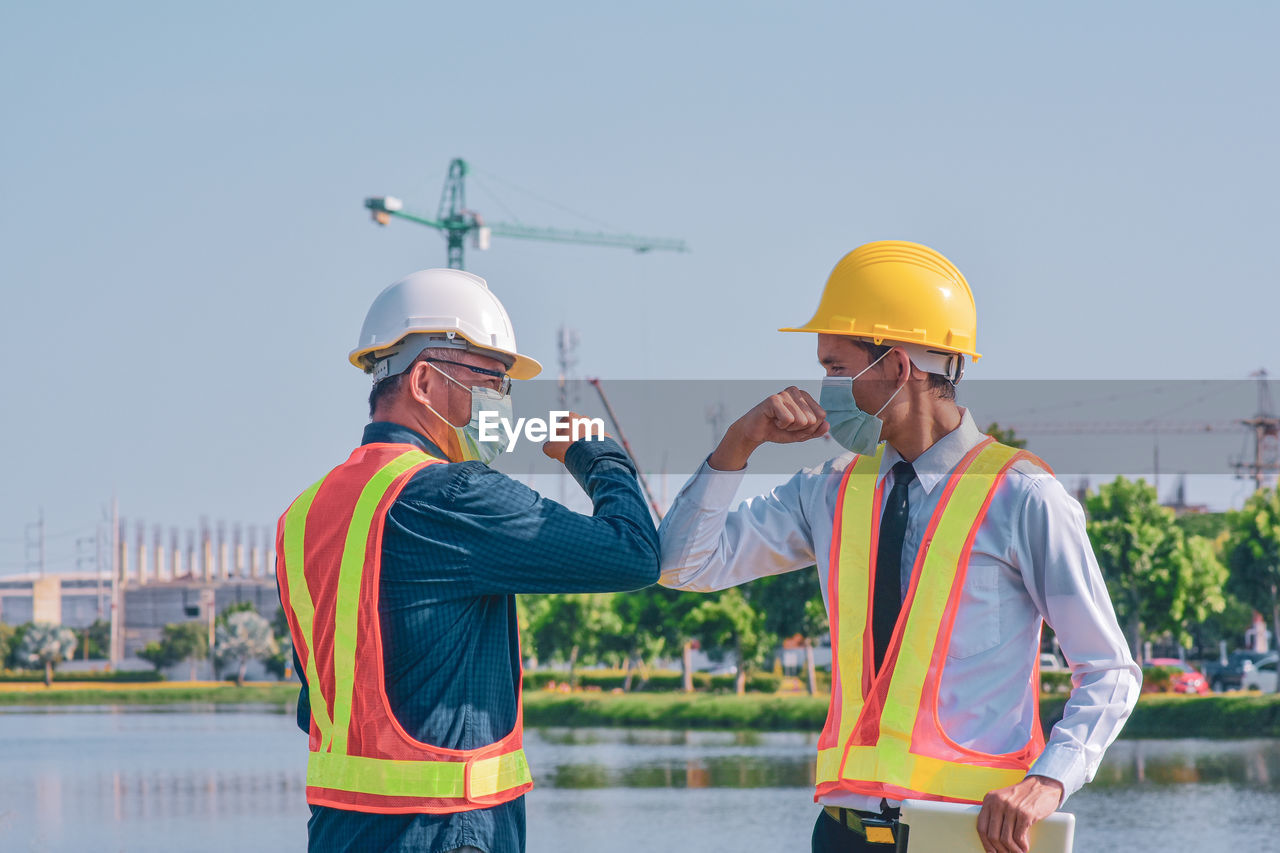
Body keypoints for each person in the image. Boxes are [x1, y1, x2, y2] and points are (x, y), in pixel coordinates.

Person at [659, 241, 1140, 853]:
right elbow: (681, 566)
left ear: (898, 367)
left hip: (967, 839)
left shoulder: (1023, 496)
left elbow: (1109, 671)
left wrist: (1048, 782)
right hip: (843, 836)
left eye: (837, 368)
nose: (824, 388)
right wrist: (738, 443)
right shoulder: (827, 491)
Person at [276, 268, 659, 853]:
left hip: (340, 829)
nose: (501, 403)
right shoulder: (454, 494)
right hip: (445, 829)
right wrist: (596, 454)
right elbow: (633, 552)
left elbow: (320, 701)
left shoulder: (304, 515)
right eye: (492, 381)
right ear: (425, 381)